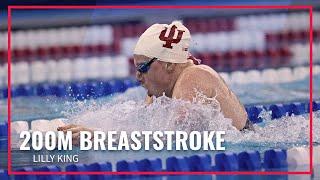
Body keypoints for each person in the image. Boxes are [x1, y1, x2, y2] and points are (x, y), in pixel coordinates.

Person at [58, 21, 250, 143]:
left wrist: (100, 137)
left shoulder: (193, 77)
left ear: (167, 65)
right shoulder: (160, 92)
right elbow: (139, 126)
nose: (138, 77)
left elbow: (174, 138)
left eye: (143, 68)